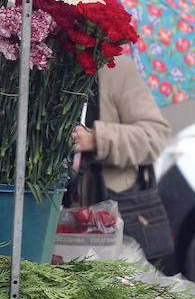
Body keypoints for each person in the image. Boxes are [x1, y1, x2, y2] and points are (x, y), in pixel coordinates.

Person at [69, 54, 171, 204]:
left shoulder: (116, 68)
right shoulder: (33, 67)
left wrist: (96, 139)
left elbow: (155, 136)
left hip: (112, 204)